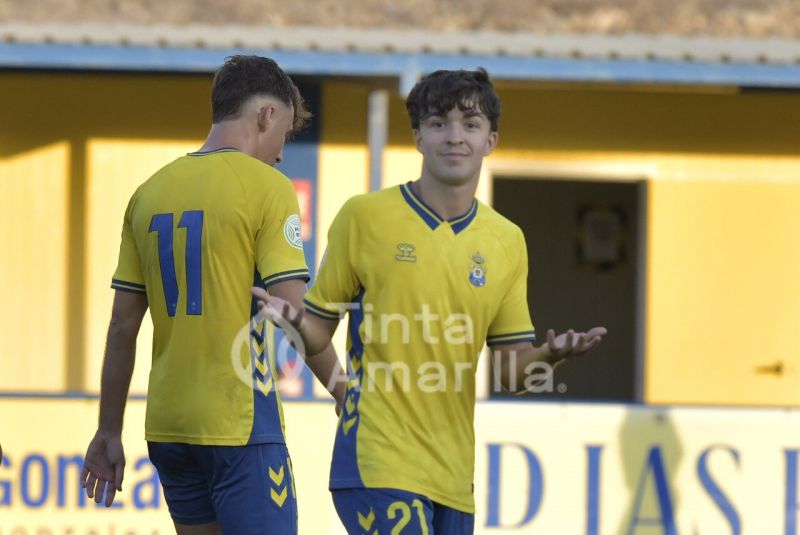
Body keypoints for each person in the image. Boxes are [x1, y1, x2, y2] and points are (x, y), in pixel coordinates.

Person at [254, 68, 606, 534]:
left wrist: (550, 355)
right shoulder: (365, 217)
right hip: (375, 463)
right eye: (439, 123)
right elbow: (320, 332)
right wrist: (296, 323)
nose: (454, 136)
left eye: (470, 124)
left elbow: (509, 371)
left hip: (453, 480)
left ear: (491, 140)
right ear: (418, 137)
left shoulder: (507, 241)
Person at [81, 55, 345, 534]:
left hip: (168, 428)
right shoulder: (268, 187)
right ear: (266, 115)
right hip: (238, 425)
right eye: (284, 134)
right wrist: (344, 390)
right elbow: (292, 313)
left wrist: (108, 430)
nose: (282, 153)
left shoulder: (149, 192)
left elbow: (122, 327)